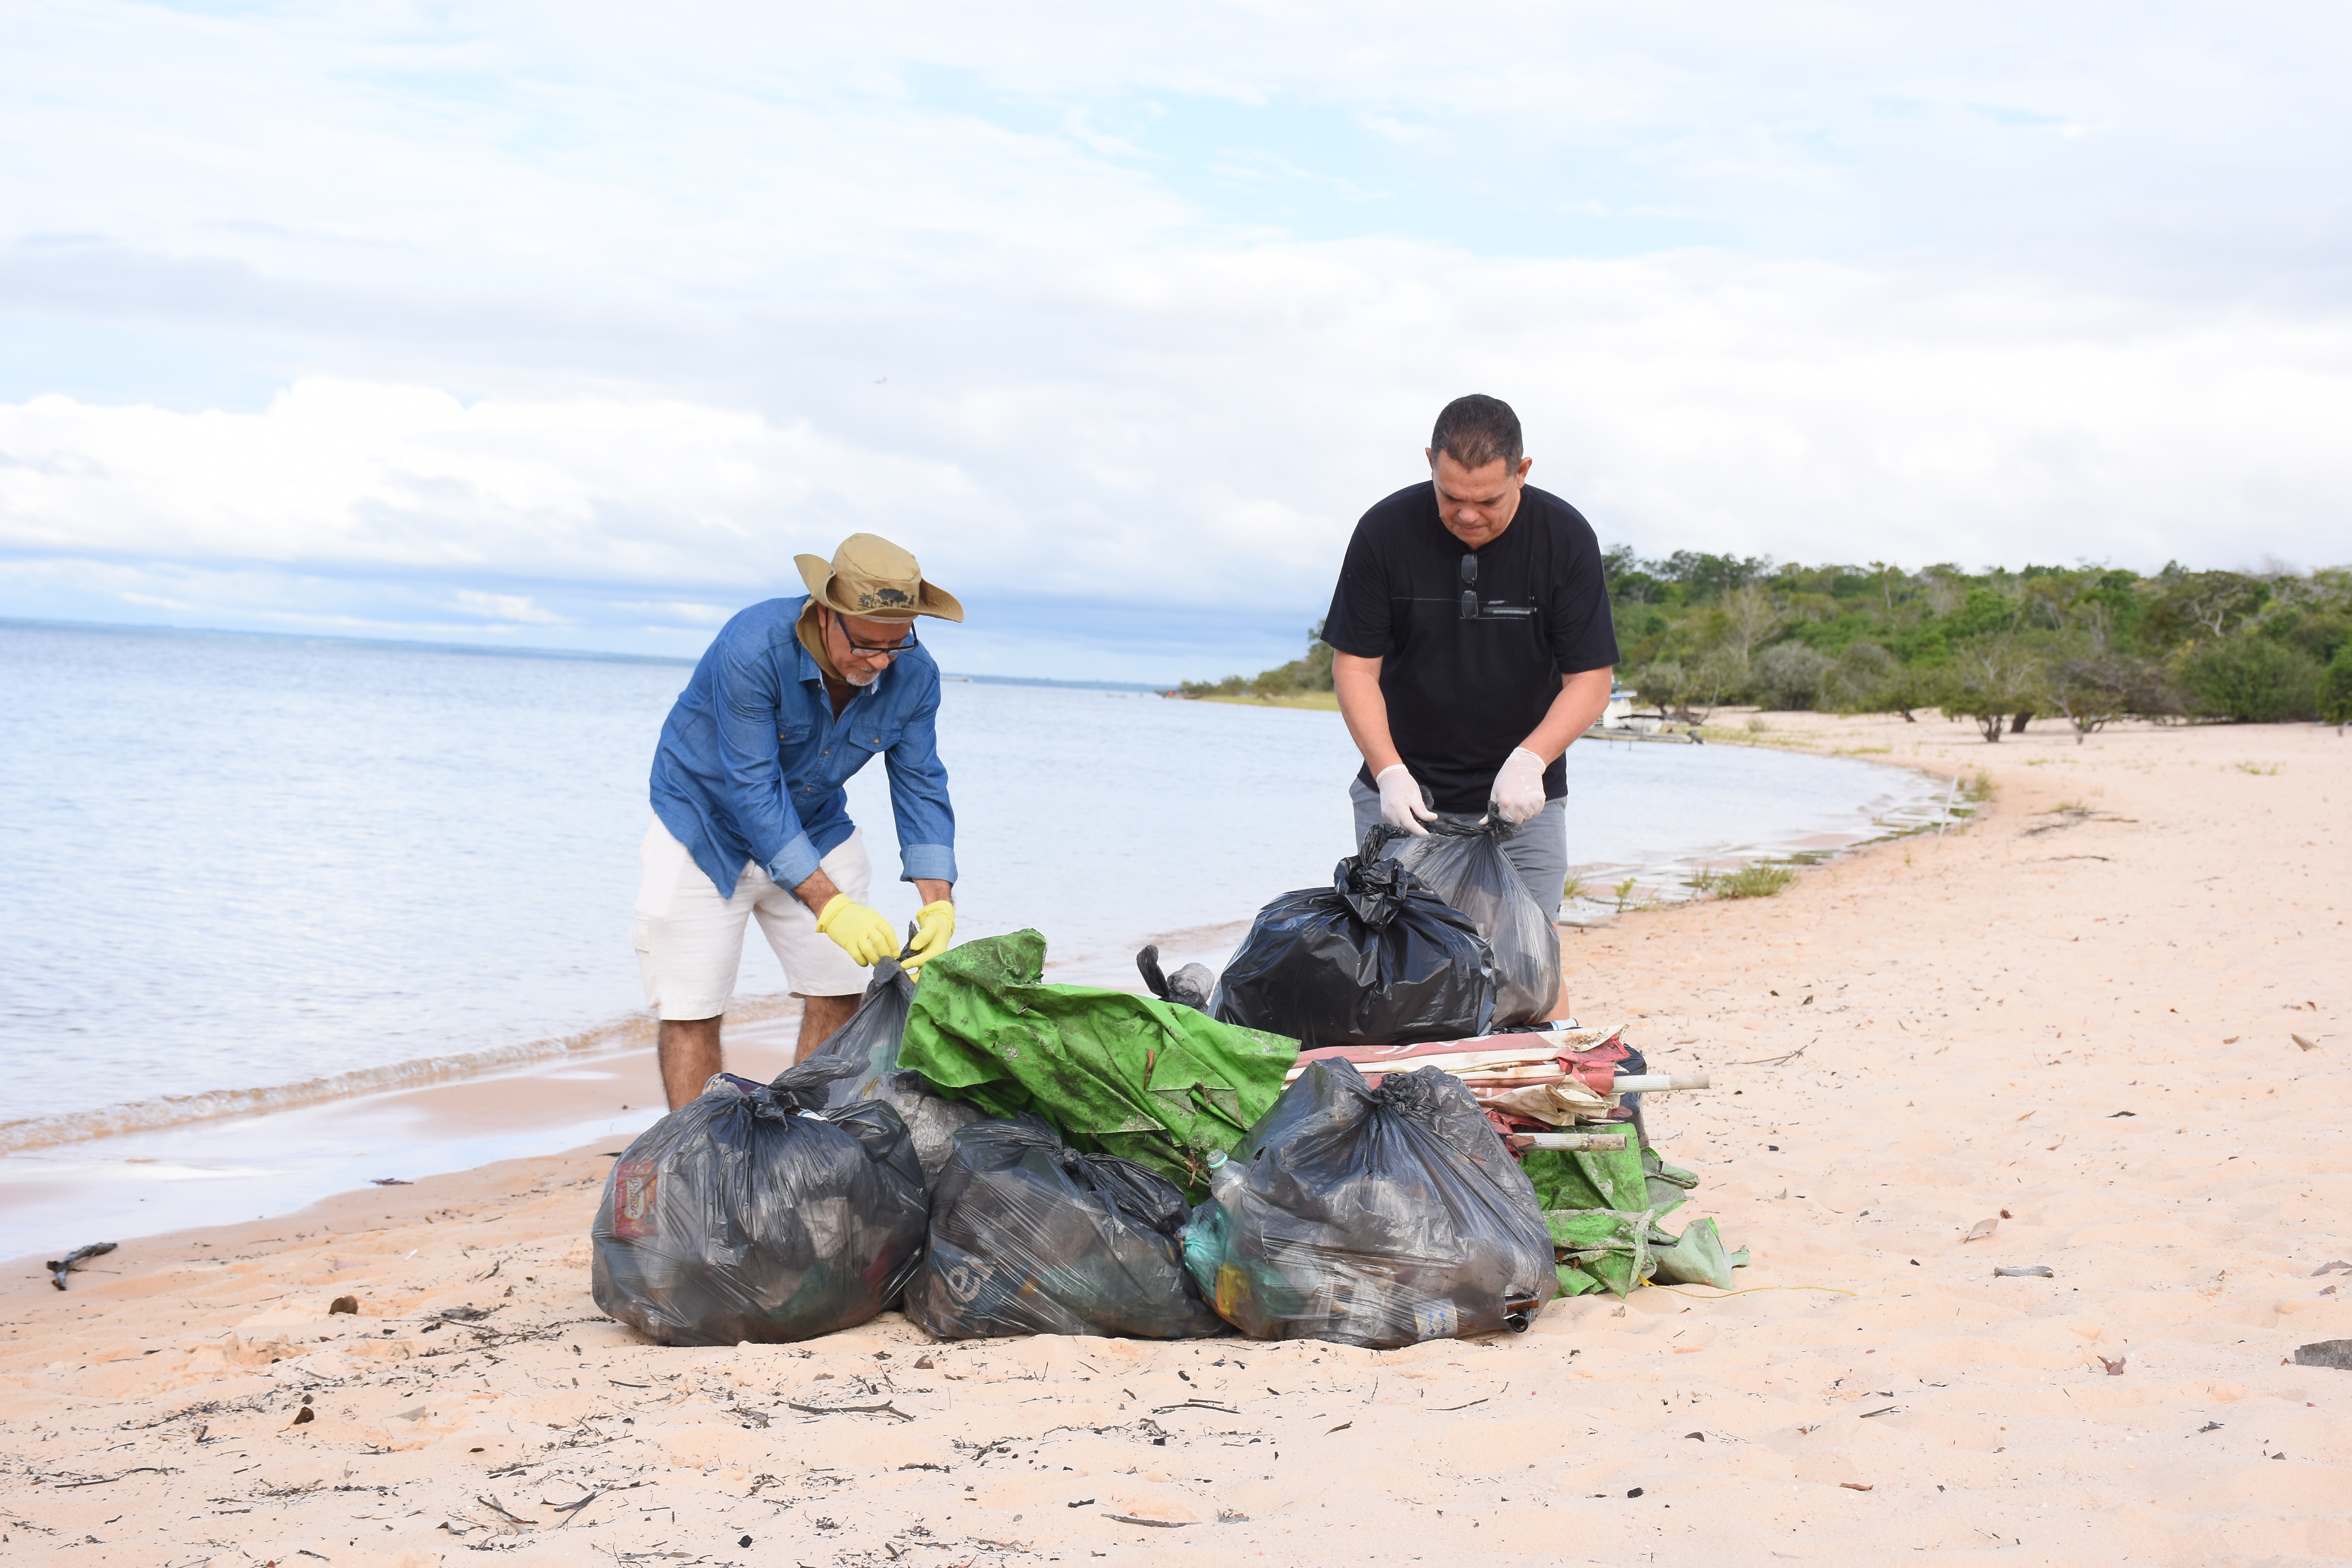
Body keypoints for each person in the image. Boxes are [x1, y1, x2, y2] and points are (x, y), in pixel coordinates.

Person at [635, 533, 964, 1109]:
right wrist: (830, 906)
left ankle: (804, 1136)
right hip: (704, 828)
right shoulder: (753, 648)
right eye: (866, 643)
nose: (881, 660)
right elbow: (752, 790)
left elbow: (920, 780)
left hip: (816, 823)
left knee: (840, 989)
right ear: (824, 614)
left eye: (898, 642)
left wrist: (938, 900)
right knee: (693, 1008)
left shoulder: (915, 675)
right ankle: (703, 1159)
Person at [1321, 394, 1618, 919]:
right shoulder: (1383, 533)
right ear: (1431, 462)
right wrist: (1388, 771)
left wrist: (1532, 760)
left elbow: (1591, 680)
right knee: (1397, 975)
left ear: (1521, 471)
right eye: (1451, 495)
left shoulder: (1566, 538)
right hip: (1404, 804)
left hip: (1523, 806)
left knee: (1529, 970)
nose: (1467, 515)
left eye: (1487, 501)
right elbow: (1355, 669)